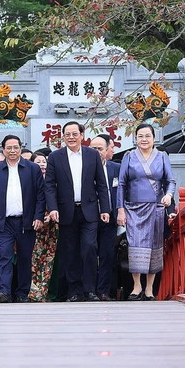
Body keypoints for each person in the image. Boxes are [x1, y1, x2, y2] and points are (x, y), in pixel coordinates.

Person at [44, 121, 110, 302]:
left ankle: (90, 290)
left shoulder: (92, 155)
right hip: (66, 210)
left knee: (89, 248)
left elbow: (101, 185)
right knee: (70, 251)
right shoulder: (55, 157)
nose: (71, 138)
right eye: (67, 134)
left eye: (75, 134)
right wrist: (53, 208)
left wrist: (105, 209)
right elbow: (49, 186)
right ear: (63, 136)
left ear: (82, 135)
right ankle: (74, 291)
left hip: (89, 210)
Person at [117, 123, 176, 301]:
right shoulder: (129, 156)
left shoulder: (162, 156)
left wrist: (168, 195)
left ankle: (150, 288)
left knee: (154, 246)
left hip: (156, 208)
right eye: (140, 136)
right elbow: (121, 184)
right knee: (135, 245)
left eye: (147, 136)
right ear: (135, 138)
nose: (144, 139)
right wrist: (120, 209)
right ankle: (136, 286)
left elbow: (170, 181)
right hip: (133, 207)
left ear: (153, 138)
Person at [0, 135, 45, 303]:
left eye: (15, 147)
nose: (12, 151)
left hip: (26, 221)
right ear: (3, 150)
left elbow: (41, 195)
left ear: (20, 148)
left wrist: (38, 216)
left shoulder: (32, 169)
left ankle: (22, 293)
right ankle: (4, 291)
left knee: (25, 258)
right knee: (4, 256)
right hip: (4, 222)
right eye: (9, 148)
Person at [90, 134, 120, 301]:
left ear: (108, 149)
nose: (96, 152)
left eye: (100, 149)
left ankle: (104, 291)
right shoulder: (84, 167)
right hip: (89, 218)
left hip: (111, 217)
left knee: (107, 254)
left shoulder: (117, 168)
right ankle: (90, 290)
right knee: (89, 253)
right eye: (93, 149)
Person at [29, 154, 58, 301]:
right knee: (36, 260)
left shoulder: (54, 180)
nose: (42, 164)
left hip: (54, 227)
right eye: (38, 162)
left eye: (44, 161)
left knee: (52, 260)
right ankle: (36, 293)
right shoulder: (30, 180)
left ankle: (51, 293)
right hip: (36, 226)